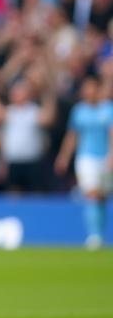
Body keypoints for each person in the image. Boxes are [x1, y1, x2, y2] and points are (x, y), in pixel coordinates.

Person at [55, 77, 113, 249]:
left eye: (92, 88)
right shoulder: (79, 111)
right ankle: (94, 235)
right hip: (85, 158)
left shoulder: (108, 109)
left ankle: (99, 233)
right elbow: (72, 136)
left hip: (104, 157)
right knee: (92, 194)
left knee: (101, 196)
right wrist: (64, 156)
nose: (89, 92)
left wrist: (111, 155)